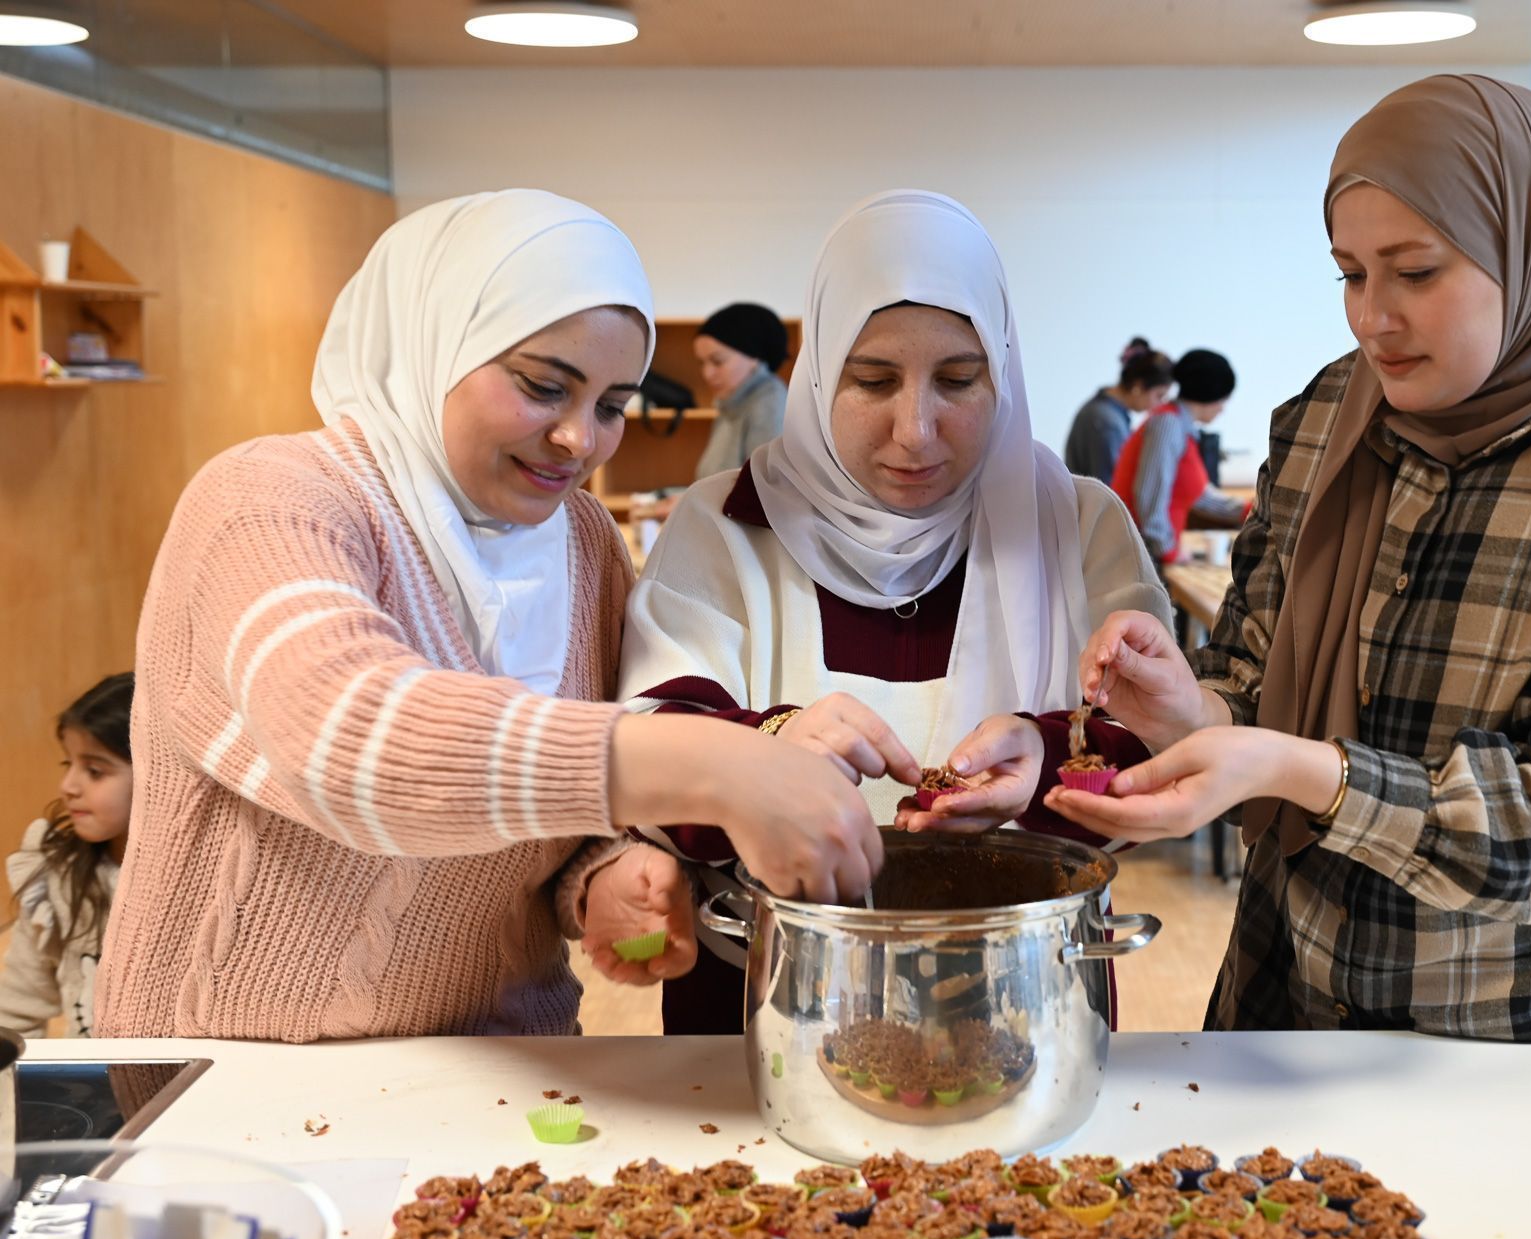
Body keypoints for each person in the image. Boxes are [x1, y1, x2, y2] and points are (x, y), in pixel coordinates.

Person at [1048, 75, 1531, 1040]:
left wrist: (1304, 769)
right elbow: (1255, 673)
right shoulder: (1328, 420)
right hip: (1292, 1006)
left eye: (1417, 272)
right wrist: (1192, 710)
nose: (1370, 317)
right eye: (1351, 274)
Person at [95, 190, 881, 1042]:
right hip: (236, 1075)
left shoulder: (580, 542)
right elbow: (348, 738)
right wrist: (716, 761)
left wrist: (605, 876)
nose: (580, 440)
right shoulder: (269, 501)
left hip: (496, 1067)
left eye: (612, 405)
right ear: (436, 344)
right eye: (545, 387)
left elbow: (544, 810)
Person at [617, 190, 1172, 1033]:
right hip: (766, 1001)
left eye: (958, 380)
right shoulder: (727, 521)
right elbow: (646, 742)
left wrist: (1049, 759)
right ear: (818, 373)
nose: (916, 431)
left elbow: (1160, 746)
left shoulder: (1074, 522)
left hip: (1017, 1001)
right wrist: (765, 750)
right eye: (872, 380)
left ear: (1004, 373)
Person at [0, 674, 133, 1038]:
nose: (69, 786)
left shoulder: (205, 882)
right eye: (68, 765)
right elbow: (18, 1003)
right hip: (91, 1086)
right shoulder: (57, 868)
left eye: (94, 771)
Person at [1112, 348, 1251, 564]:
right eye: (1224, 400)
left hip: (1152, 555)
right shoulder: (1168, 425)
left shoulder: (1179, 426)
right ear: (1211, 395)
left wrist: (1246, 509)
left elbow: (1198, 494)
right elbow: (1148, 498)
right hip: (1141, 561)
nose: (1223, 409)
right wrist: (1169, 551)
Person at [692, 302, 790, 481]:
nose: (707, 374)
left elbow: (766, 492)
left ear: (754, 357)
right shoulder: (731, 403)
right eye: (702, 363)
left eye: (718, 361)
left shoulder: (769, 404)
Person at [1064, 346, 1175, 485]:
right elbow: (1110, 489)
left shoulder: (1103, 412)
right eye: (1159, 396)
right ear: (1138, 386)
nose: (1159, 404)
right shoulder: (1107, 423)